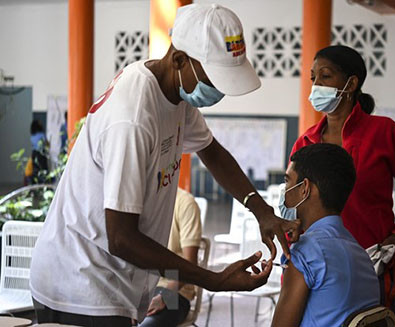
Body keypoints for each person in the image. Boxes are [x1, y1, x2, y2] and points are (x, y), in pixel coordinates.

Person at [30, 4, 300, 327]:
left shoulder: (173, 94)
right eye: (213, 79)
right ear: (179, 60)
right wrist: (211, 279)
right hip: (80, 284)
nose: (219, 92)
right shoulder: (132, 118)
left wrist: (261, 210)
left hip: (114, 283)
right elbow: (121, 238)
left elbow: (211, 151)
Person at [289, 45, 395, 309]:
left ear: (352, 83)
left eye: (326, 76)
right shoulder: (305, 142)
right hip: (317, 268)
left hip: (373, 268)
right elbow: (292, 204)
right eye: (313, 78)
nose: (316, 85)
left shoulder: (385, 132)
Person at [272, 144, 380, 327]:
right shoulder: (362, 256)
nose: (284, 191)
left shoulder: (305, 253)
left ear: (304, 188)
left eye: (288, 182)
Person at [140, 188, 202, 327]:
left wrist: (165, 297)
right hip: (141, 287)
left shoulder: (185, 202)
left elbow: (190, 264)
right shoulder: (137, 201)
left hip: (176, 292)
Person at [29, 119, 49, 184]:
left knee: (35, 169)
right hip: (41, 154)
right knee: (43, 169)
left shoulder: (32, 136)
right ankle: (43, 184)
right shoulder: (41, 134)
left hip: (34, 153)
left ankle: (35, 184)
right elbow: (46, 144)